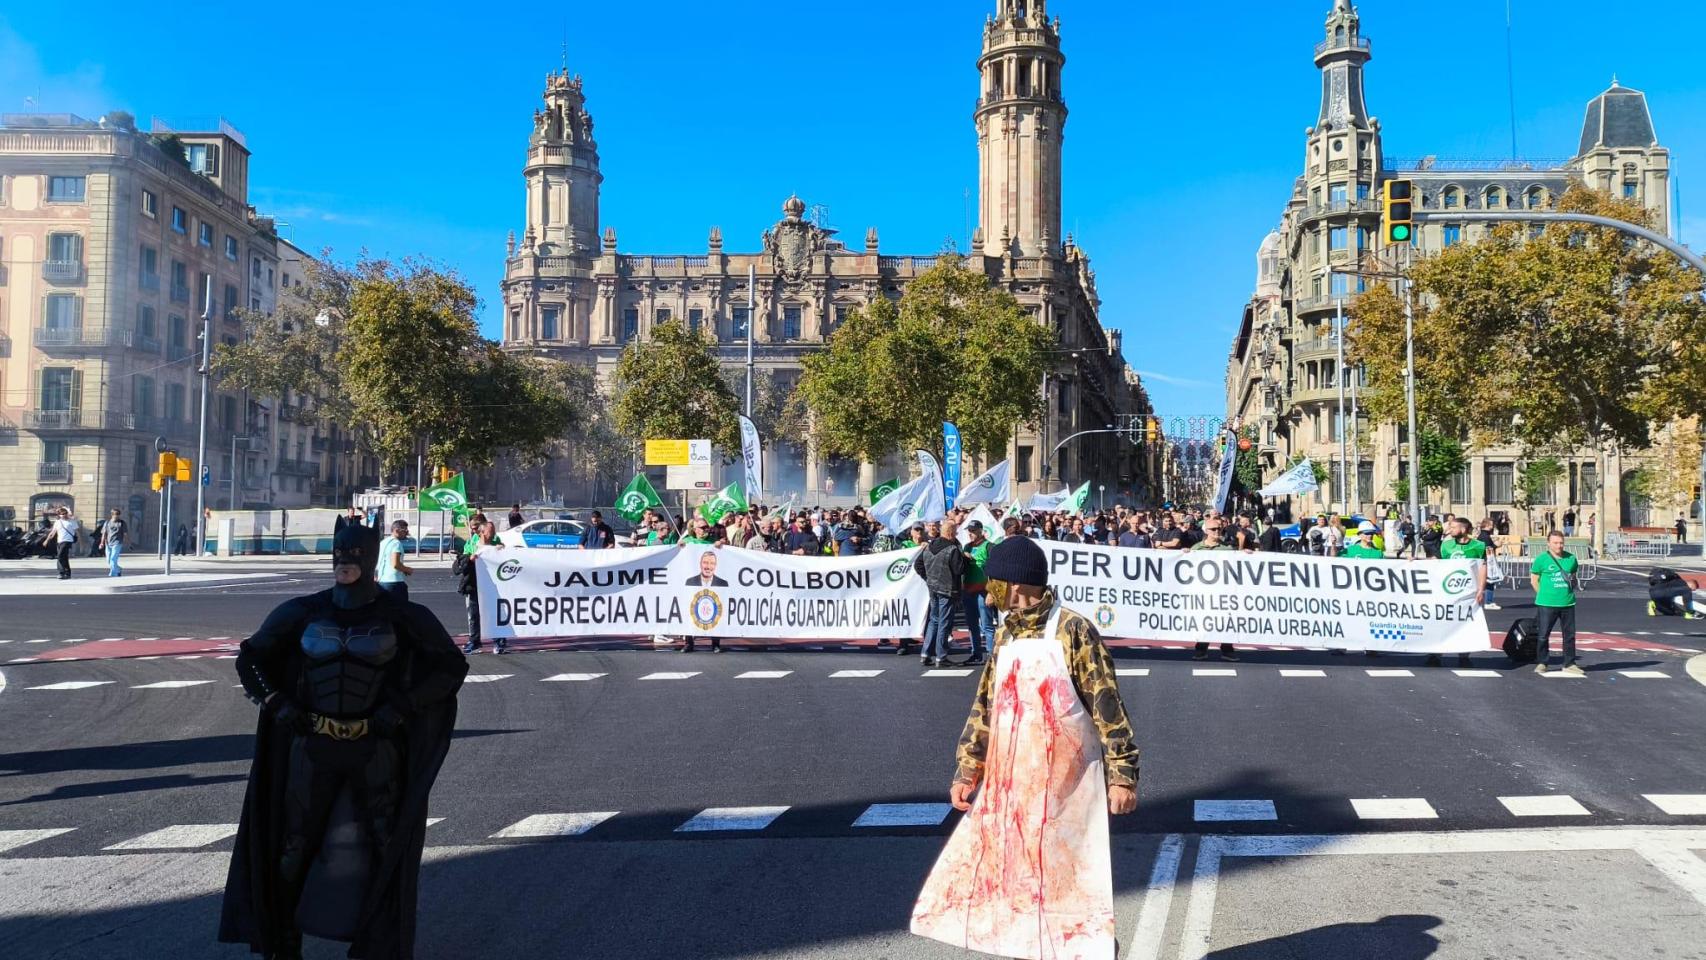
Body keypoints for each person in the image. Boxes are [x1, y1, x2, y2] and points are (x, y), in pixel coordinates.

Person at [220, 523, 467, 960]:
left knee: (385, 845)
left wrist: (403, 708)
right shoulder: (304, 611)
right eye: (338, 551)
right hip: (312, 744)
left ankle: (378, 945)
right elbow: (251, 657)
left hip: (376, 746)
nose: (344, 559)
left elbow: (450, 667)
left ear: (371, 557)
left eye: (354, 551)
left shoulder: (401, 616)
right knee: (292, 845)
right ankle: (282, 944)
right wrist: (276, 701)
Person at [911, 535, 1137, 959]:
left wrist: (1122, 776)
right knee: (1012, 891)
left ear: (1014, 584)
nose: (987, 590)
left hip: (1067, 791)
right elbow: (986, 705)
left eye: (993, 582)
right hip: (1011, 789)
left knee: (1067, 888)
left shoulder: (1072, 630)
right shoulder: (1005, 635)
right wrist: (967, 768)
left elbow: (1108, 705)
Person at [1429, 517, 1486, 668]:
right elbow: (1437, 561)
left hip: (1468, 591)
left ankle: (1464, 655)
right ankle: (1436, 654)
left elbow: (1482, 567)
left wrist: (1481, 589)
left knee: (1466, 623)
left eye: (1453, 527)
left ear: (1463, 529)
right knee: (1441, 621)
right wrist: (1416, 561)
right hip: (1447, 590)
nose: (1450, 530)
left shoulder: (1478, 546)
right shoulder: (1446, 546)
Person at [914, 518, 966, 667]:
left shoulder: (930, 546)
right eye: (955, 531)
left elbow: (918, 565)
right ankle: (941, 656)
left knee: (934, 620)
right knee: (944, 622)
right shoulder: (953, 549)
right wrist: (966, 559)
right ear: (950, 533)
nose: (956, 533)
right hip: (947, 589)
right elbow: (959, 569)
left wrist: (928, 578)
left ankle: (926, 653)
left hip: (933, 587)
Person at [1530, 531, 1581, 675]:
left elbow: (1573, 577)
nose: (1559, 546)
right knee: (1543, 634)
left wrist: (1570, 588)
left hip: (1567, 603)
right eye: (1555, 543)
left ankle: (1569, 663)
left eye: (1561, 543)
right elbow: (1534, 580)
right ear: (1548, 543)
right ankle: (1542, 662)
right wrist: (1543, 595)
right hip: (1547, 603)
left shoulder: (1571, 558)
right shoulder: (1541, 559)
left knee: (1569, 635)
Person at [1189, 520, 1239, 661]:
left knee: (1225, 621)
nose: (1217, 531)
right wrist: (1184, 554)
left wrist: (1247, 555)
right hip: (1204, 593)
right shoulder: (1196, 549)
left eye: (1219, 529)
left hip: (1222, 593)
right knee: (1205, 621)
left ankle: (1227, 650)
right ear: (1206, 531)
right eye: (1213, 529)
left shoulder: (1227, 550)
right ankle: (1201, 649)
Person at [459, 522, 506, 655]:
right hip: (474, 585)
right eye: (491, 531)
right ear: (482, 533)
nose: (493, 533)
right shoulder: (471, 546)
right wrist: (470, 559)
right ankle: (474, 641)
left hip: (493, 587)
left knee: (495, 613)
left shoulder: (496, 547)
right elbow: (460, 565)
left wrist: (502, 550)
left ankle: (499, 640)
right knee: (474, 615)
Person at [959, 520, 993, 666]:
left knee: (987, 625)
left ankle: (991, 654)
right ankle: (976, 653)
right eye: (969, 531)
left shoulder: (989, 546)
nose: (970, 534)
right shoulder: (967, 546)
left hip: (983, 590)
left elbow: (993, 567)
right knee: (972, 625)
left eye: (973, 531)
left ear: (980, 531)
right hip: (968, 589)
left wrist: (975, 560)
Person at [376, 520, 414, 600]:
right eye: (405, 530)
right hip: (394, 582)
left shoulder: (383, 542)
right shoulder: (396, 543)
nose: (406, 533)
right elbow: (395, 564)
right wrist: (407, 569)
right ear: (396, 530)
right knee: (401, 610)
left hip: (381, 581)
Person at [52, 507, 79, 579]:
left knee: (60, 556)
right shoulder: (57, 522)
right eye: (62, 514)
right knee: (63, 557)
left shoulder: (72, 521)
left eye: (65, 513)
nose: (64, 515)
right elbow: (53, 532)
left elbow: (77, 532)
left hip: (68, 541)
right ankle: (66, 573)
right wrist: (46, 540)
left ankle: (62, 572)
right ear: (59, 515)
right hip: (59, 541)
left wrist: (81, 542)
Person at [99, 508, 127, 578]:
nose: (117, 516)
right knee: (109, 560)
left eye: (118, 514)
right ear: (112, 515)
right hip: (108, 543)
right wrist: (102, 543)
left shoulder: (122, 523)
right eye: (116, 514)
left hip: (117, 543)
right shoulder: (107, 523)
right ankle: (118, 569)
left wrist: (128, 543)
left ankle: (113, 574)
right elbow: (104, 533)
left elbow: (125, 534)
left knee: (113, 559)